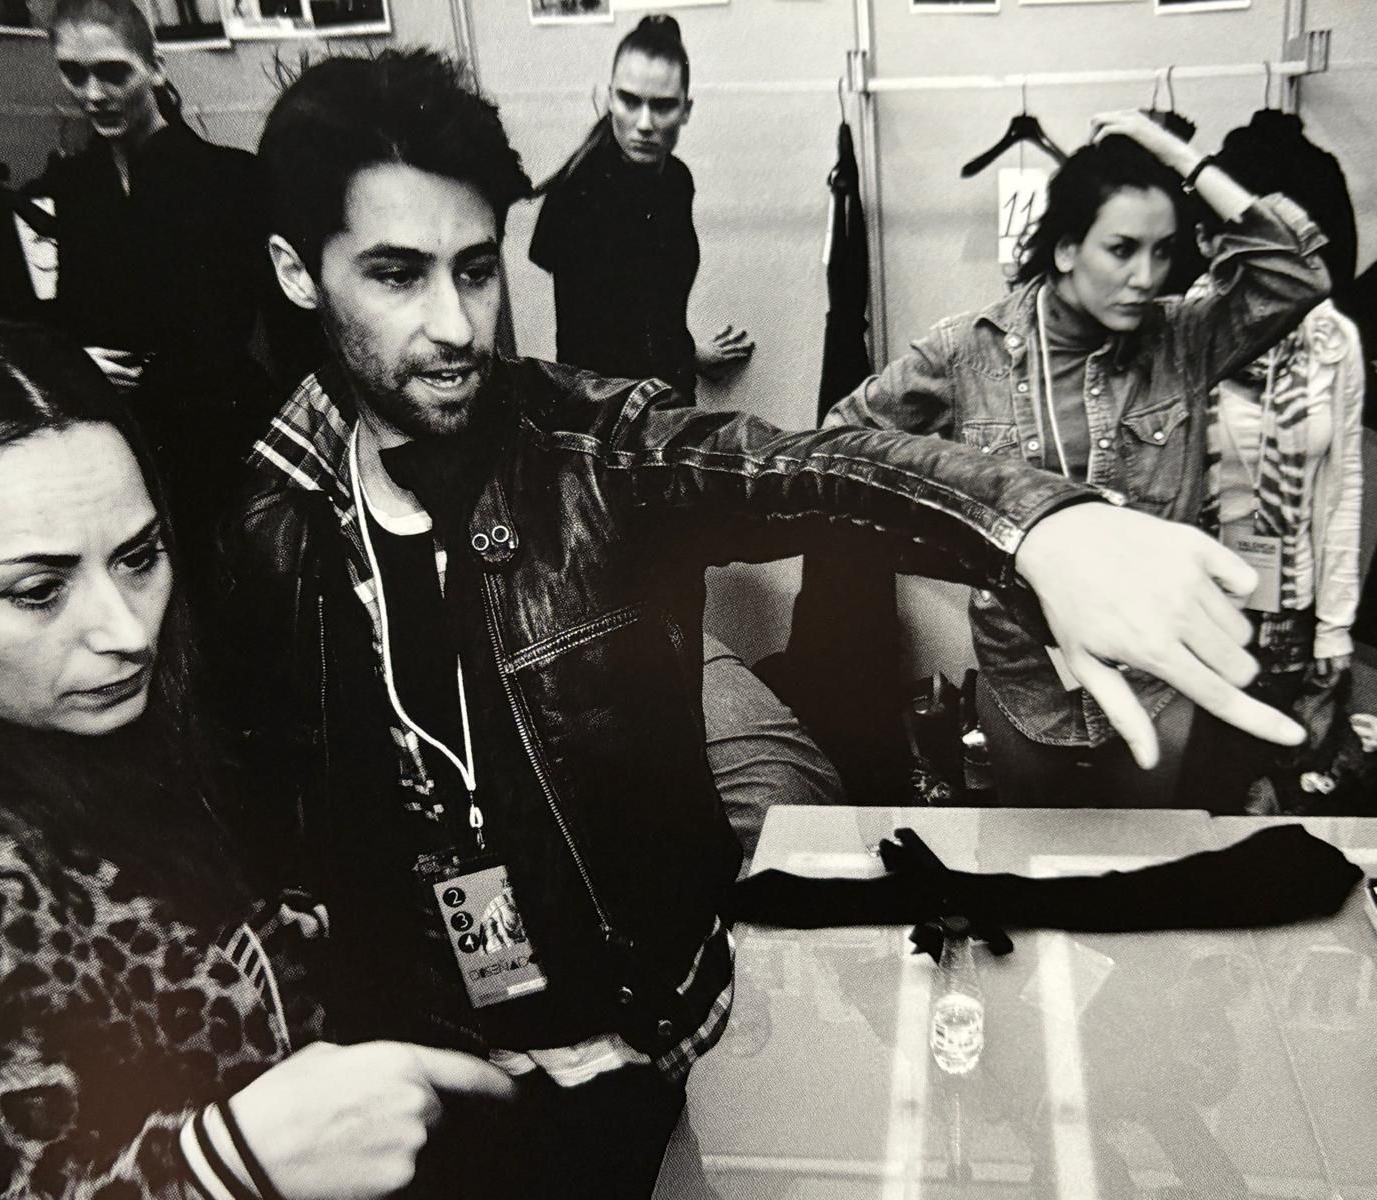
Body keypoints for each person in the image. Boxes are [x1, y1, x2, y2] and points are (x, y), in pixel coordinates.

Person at [225, 49, 1303, 1194]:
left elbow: (807, 470)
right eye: (396, 275)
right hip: (427, 1070)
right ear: (299, 273)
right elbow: (278, 809)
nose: (455, 326)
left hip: (638, 1037)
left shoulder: (596, 451)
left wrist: (1040, 528)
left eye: (476, 271)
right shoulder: (267, 514)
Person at [0, 319, 515, 1200]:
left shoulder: (83, 736)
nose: (127, 633)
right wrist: (216, 1170)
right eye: (37, 590)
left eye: (138, 557)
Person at [828, 112, 1332, 808]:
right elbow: (840, 443)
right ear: (1066, 249)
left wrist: (1172, 154)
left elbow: (1297, 275)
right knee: (1036, 873)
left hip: (1155, 674)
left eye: (1161, 252)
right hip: (1027, 681)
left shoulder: (1183, 337)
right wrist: (956, 547)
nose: (1145, 276)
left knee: (1147, 870)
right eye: (1122, 249)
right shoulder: (965, 353)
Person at [35, 0, 278, 544]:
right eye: (74, 73)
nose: (93, 93)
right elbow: (66, 313)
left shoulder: (230, 178)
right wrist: (74, 364)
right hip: (116, 436)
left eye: (113, 72)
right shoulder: (72, 185)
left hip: (219, 437)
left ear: (155, 67)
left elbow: (258, 325)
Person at [1180, 145, 1365, 812]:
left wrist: (1335, 625)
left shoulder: (1331, 340)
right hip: (1197, 598)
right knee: (1194, 785)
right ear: (1206, 240)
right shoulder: (1183, 330)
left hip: (1289, 607)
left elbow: (1342, 484)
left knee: (1271, 792)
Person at [529, 15, 752, 403]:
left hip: (671, 400)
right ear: (608, 98)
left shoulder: (677, 181)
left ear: (687, 110)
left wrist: (689, 356)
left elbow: (655, 306)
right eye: (630, 101)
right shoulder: (578, 193)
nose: (645, 124)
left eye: (663, 106)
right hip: (605, 417)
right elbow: (597, 339)